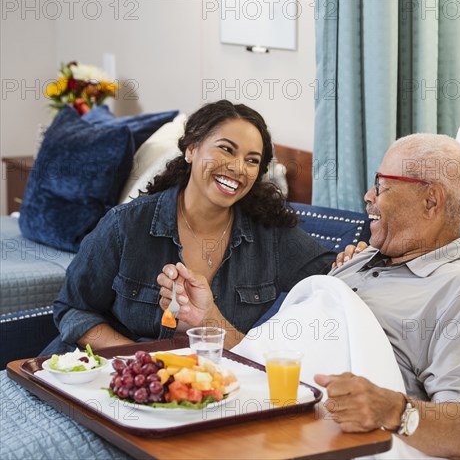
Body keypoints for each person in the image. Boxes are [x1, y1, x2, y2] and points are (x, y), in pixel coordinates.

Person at [161, 133, 460, 459]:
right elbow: (275, 362)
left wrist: (392, 409)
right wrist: (207, 319)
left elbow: (459, 434)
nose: (369, 197)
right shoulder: (357, 260)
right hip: (248, 401)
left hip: (308, 432)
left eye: (381, 186)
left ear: (430, 201)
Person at [41, 100, 338, 355]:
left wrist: (359, 256)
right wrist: (138, 361)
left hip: (211, 391)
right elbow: (72, 308)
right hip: (105, 376)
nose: (238, 168)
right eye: (226, 149)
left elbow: (337, 282)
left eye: (252, 160)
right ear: (192, 149)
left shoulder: (272, 236)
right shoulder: (126, 225)